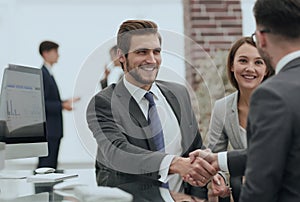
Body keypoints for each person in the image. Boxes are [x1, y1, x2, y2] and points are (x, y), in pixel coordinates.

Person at [86, 19, 217, 198]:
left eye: (156, 51)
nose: (152, 60)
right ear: (121, 56)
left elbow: (194, 148)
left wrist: (197, 196)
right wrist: (174, 163)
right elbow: (118, 153)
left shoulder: (178, 93)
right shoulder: (103, 103)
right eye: (142, 52)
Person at [187, 0, 300, 201]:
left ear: (262, 39)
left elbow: (261, 183)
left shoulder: (272, 94)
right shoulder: (225, 106)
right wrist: (217, 160)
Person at [207, 36, 273, 201]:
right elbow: (215, 154)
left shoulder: (280, 105)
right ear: (231, 65)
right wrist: (219, 179)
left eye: (258, 62)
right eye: (243, 61)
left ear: (267, 69)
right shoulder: (222, 107)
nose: (250, 68)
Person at [38, 40, 80, 169]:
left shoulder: (48, 73)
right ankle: (43, 190)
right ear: (46, 53)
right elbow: (41, 104)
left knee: (51, 166)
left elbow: (49, 100)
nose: (58, 55)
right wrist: (62, 106)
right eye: (55, 52)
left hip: (53, 130)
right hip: (49, 130)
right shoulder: (42, 74)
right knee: (46, 167)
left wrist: (64, 102)